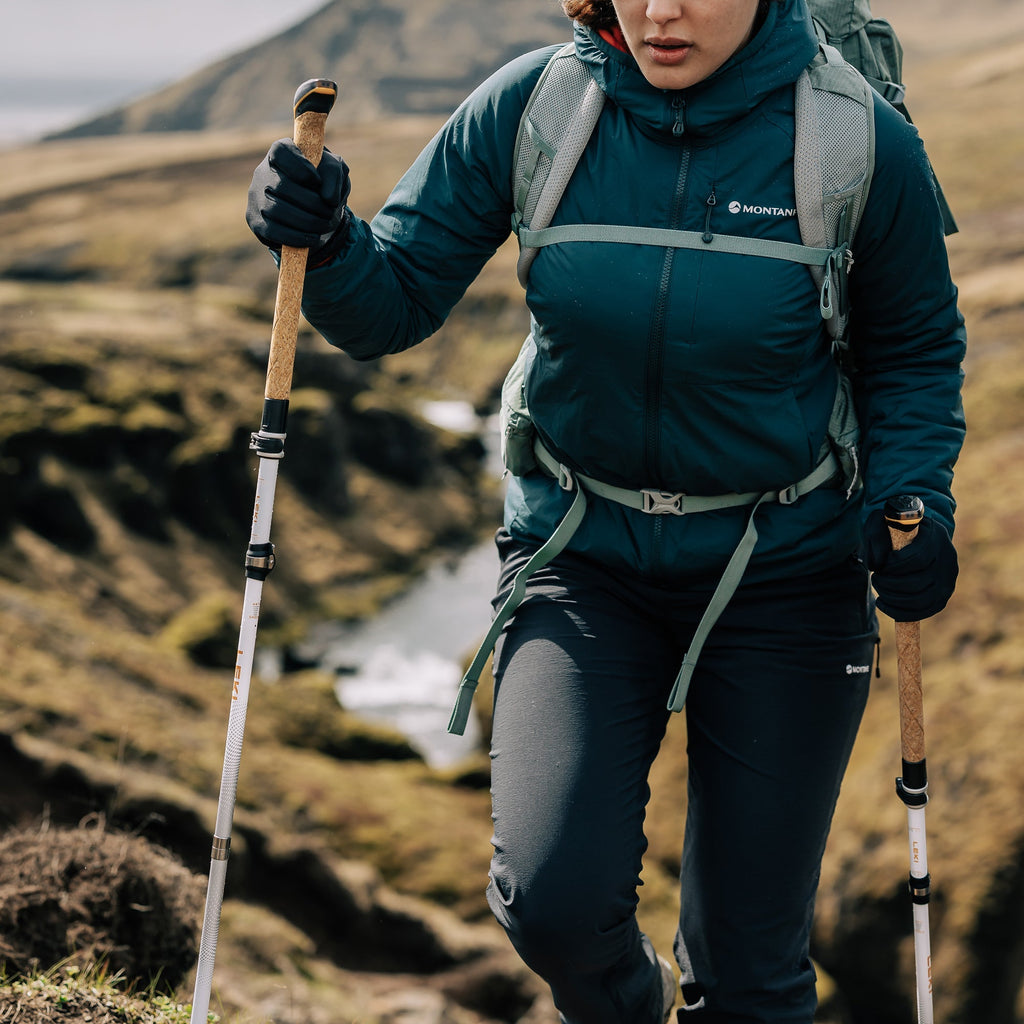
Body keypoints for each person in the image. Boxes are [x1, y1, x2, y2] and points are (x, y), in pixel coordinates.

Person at [245, 0, 966, 1019]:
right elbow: (390, 302)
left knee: (750, 968)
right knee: (552, 904)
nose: (661, 10)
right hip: (579, 560)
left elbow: (914, 349)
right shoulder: (536, 106)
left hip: (788, 575)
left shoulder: (855, 139)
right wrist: (322, 240)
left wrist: (914, 498)